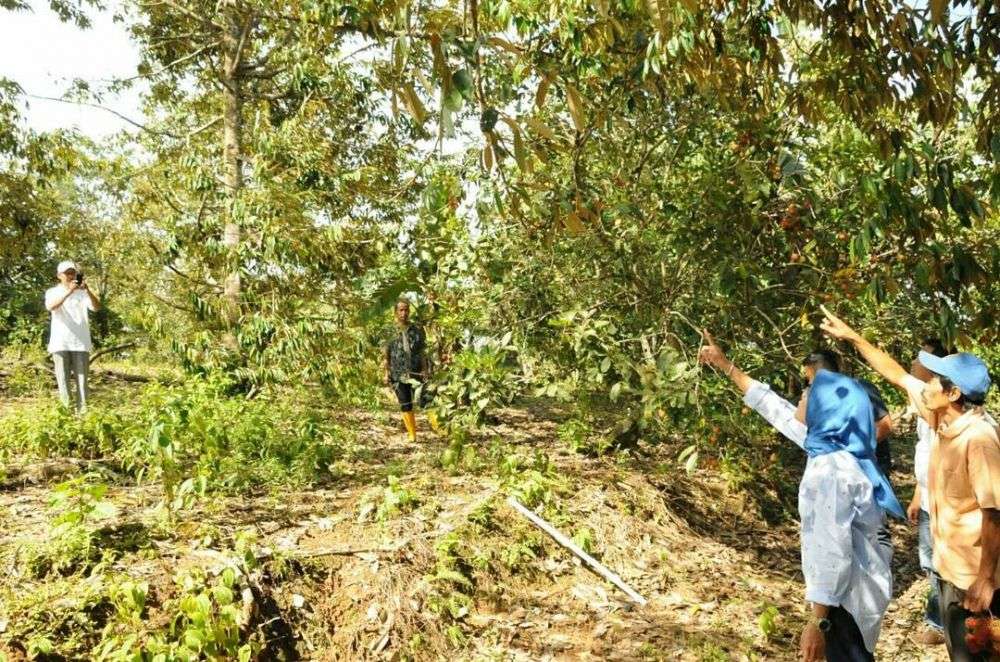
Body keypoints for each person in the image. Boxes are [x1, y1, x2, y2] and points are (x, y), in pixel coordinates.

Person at [700, 332, 904, 661]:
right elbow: (774, 408)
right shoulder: (837, 446)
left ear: (826, 410)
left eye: (809, 391)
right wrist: (726, 366)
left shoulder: (830, 472)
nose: (801, 395)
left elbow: (832, 551)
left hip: (845, 604)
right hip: (860, 597)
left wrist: (818, 621)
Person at [820, 307, 1000, 662]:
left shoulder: (979, 439)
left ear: (953, 394)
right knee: (959, 652)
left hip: (976, 578)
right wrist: (853, 337)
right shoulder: (941, 418)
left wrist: (986, 578)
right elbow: (898, 375)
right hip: (951, 569)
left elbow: (994, 512)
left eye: (935, 380)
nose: (926, 383)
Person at [905, 338, 951, 646]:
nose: (913, 363)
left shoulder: (944, 410)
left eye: (920, 359)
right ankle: (940, 618)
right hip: (928, 496)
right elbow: (926, 453)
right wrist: (918, 494)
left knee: (944, 563)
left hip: (946, 502)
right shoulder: (927, 403)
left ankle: (942, 621)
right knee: (929, 561)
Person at [802, 349, 895, 475]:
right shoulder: (824, 397)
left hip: (870, 465)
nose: (810, 383)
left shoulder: (859, 387)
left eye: (810, 378)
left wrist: (855, 450)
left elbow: (885, 425)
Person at [45, 261, 100, 413]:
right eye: (67, 273)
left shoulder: (82, 293)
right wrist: (69, 291)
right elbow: (51, 307)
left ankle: (83, 415)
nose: (71, 276)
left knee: (82, 382)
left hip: (80, 343)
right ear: (59, 276)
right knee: (63, 381)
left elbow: (96, 307)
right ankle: (66, 414)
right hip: (60, 343)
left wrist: (87, 290)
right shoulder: (52, 292)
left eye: (73, 273)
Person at [383, 299, 428, 442]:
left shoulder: (416, 330)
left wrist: (425, 369)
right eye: (401, 310)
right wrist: (386, 373)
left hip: (415, 372)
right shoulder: (390, 331)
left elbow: (421, 352)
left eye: (406, 310)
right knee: (405, 403)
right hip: (398, 372)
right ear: (396, 312)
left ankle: (440, 428)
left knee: (425, 400)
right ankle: (412, 434)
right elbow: (386, 354)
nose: (404, 313)